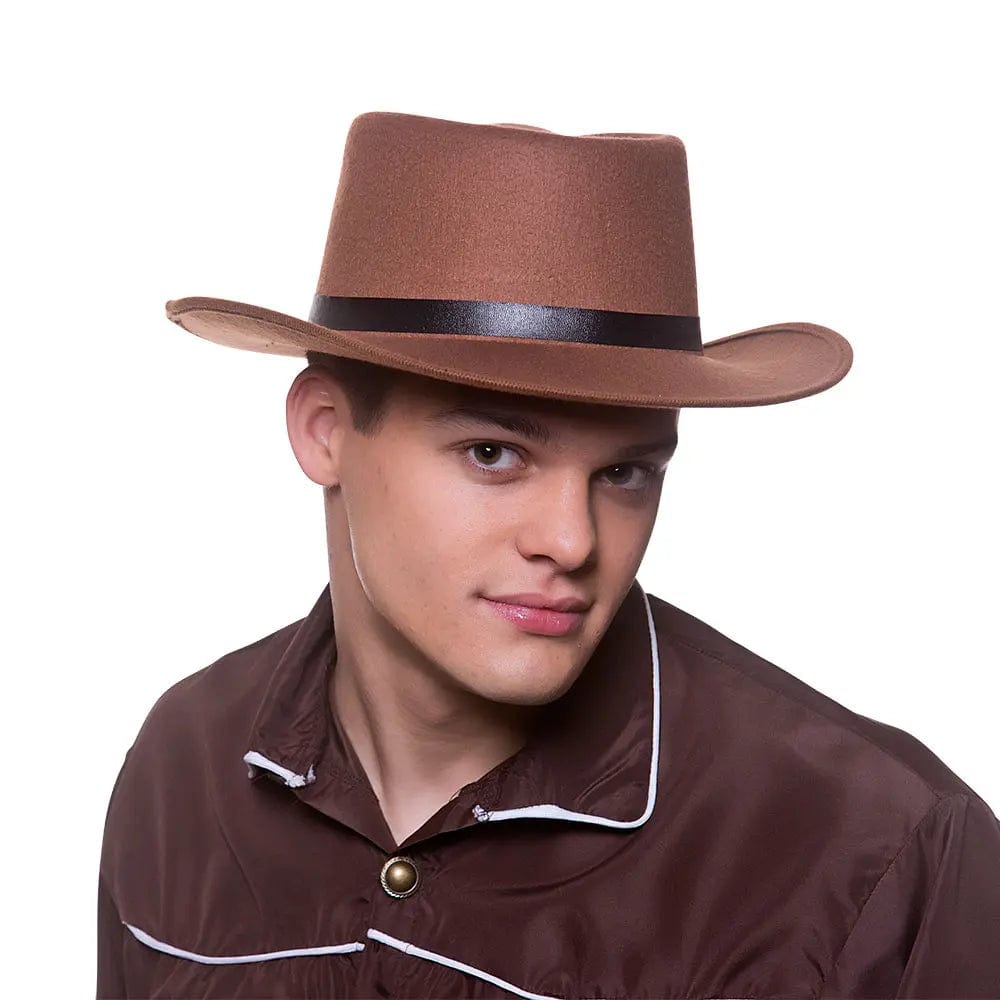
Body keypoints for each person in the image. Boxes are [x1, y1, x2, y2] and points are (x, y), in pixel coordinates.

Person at [97, 111, 1000, 999]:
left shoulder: (877, 852)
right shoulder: (184, 767)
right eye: (495, 454)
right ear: (325, 431)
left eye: (625, 472)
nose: (572, 541)